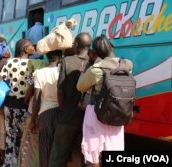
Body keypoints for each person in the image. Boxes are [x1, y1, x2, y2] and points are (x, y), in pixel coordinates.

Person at [76, 35, 133, 167]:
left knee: (93, 156)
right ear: (111, 47)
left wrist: (84, 72)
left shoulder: (96, 69)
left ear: (96, 53)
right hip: (118, 114)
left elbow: (80, 87)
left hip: (97, 115)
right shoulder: (128, 65)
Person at [49, 32, 92, 167]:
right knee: (86, 157)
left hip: (67, 116)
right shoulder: (94, 64)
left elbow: (60, 90)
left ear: (77, 45)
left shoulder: (67, 61)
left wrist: (63, 109)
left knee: (58, 156)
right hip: (87, 119)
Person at [0, 39, 35, 167]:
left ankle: (9, 163)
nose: (34, 47)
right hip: (24, 106)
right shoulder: (32, 64)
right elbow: (32, 85)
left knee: (10, 136)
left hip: (9, 105)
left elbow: (2, 82)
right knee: (24, 138)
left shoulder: (9, 63)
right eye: (31, 46)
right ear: (25, 49)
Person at [29, 50, 62, 167]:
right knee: (59, 152)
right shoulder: (62, 71)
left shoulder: (39, 73)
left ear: (47, 57)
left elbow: (36, 100)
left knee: (45, 151)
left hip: (45, 114)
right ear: (60, 57)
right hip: (61, 114)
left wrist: (33, 120)